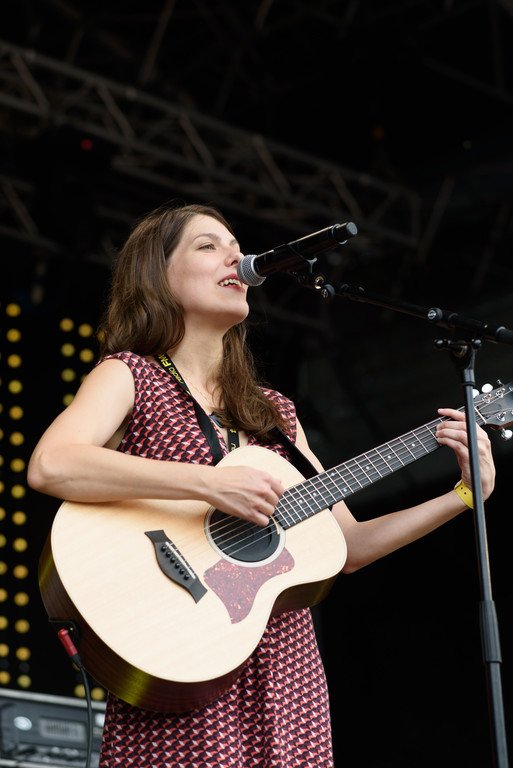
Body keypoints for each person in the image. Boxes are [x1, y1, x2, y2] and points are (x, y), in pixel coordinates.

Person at [27, 201, 496, 768]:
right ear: (158, 275)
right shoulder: (131, 374)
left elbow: (348, 546)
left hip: (285, 672)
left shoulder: (276, 413)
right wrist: (209, 485)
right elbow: (53, 464)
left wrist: (463, 496)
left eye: (236, 246)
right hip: (180, 648)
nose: (236, 257)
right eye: (208, 246)